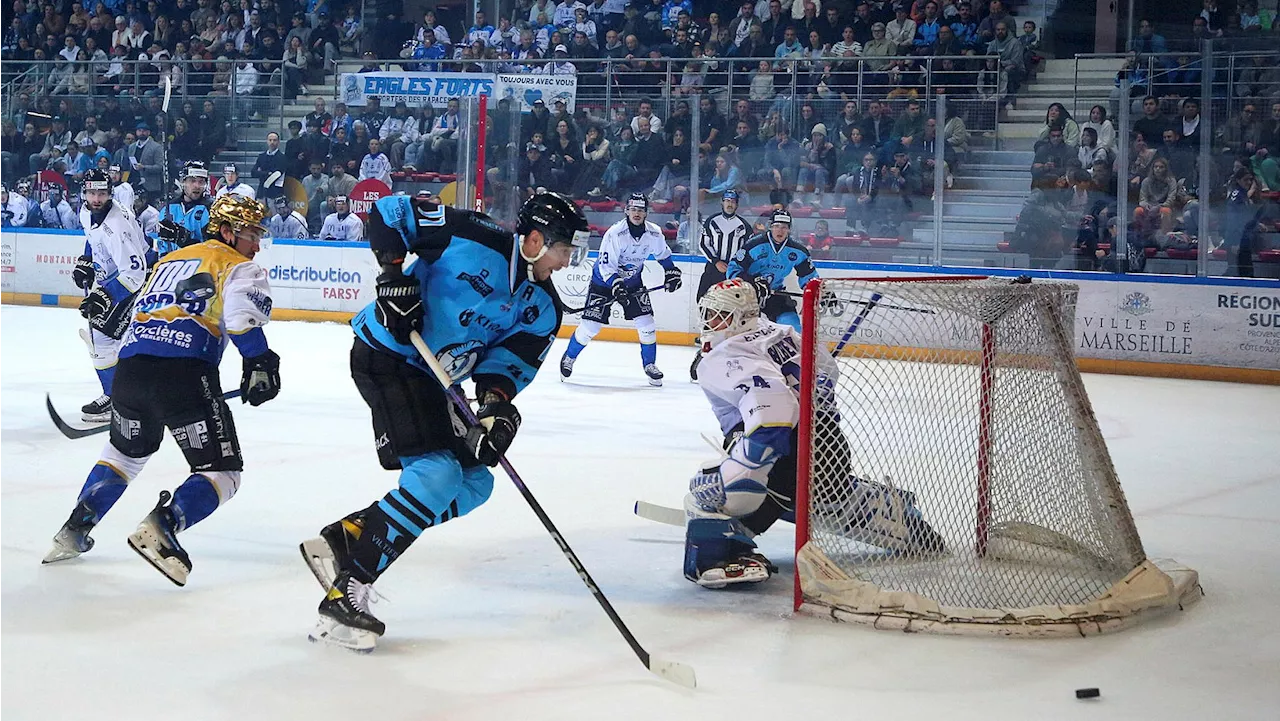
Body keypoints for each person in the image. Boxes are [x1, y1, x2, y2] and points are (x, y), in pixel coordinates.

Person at [297, 192, 589, 652]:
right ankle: (347, 590)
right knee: (436, 473)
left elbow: (508, 365)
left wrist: (495, 409)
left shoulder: (543, 306)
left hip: (437, 376)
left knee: (475, 484)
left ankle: (355, 534)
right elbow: (389, 213)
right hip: (389, 356)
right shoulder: (470, 234)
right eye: (564, 250)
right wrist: (393, 277)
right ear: (535, 239)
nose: (567, 262)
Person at [44, 193, 280, 585]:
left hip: (130, 372)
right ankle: (164, 526)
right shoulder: (237, 266)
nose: (256, 244)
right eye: (251, 233)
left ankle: (73, 530)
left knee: (123, 456)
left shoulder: (171, 259)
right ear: (227, 232)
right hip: (185, 376)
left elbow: (141, 310)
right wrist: (259, 362)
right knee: (223, 472)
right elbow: (239, 319)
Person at [681, 279, 943, 588]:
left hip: (788, 451)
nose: (709, 321)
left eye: (718, 314)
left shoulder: (725, 356)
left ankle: (726, 554)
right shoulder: (781, 331)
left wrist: (738, 474)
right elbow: (826, 367)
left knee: (712, 495)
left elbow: (772, 418)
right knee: (830, 495)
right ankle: (892, 515)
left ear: (740, 317)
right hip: (831, 443)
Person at [558, 194, 681, 386]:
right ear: (626, 211)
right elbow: (607, 267)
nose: (637, 213)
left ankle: (650, 365)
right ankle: (569, 357)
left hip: (632, 283)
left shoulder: (654, 233)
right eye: (633, 209)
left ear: (646, 212)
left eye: (641, 210)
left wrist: (671, 272)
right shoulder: (615, 233)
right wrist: (616, 285)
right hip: (604, 282)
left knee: (646, 323)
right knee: (591, 326)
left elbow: (663, 255)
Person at [69, 168, 150, 423]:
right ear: (84, 193)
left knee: (103, 336)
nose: (96, 199)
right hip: (113, 279)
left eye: (101, 193)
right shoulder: (86, 211)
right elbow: (93, 239)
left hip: (134, 282)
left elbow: (136, 274)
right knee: (108, 338)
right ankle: (125, 395)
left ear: (110, 194)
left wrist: (104, 297)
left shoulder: (118, 224)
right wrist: (86, 261)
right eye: (91, 192)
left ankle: (116, 399)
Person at [690, 189, 751, 380]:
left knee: (731, 307)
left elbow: (746, 249)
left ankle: (726, 344)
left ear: (737, 204)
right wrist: (716, 261)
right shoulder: (712, 221)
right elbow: (703, 244)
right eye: (727, 201)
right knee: (704, 300)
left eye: (733, 201)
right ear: (722, 203)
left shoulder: (744, 226)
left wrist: (734, 266)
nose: (730, 204)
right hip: (713, 268)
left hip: (733, 271)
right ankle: (706, 337)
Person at [726, 210, 817, 332]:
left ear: (789, 229)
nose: (780, 230)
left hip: (776, 293)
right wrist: (752, 283)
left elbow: (808, 277)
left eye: (784, 227)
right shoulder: (754, 245)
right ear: (770, 227)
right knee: (742, 332)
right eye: (777, 226)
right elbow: (733, 270)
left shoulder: (798, 251)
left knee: (793, 329)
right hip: (748, 295)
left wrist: (819, 292)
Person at [157, 161, 213, 257]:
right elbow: (162, 244)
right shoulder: (168, 208)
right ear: (183, 182)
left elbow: (212, 247)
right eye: (192, 181)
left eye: (201, 182)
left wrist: (185, 240)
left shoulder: (211, 209)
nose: (197, 186)